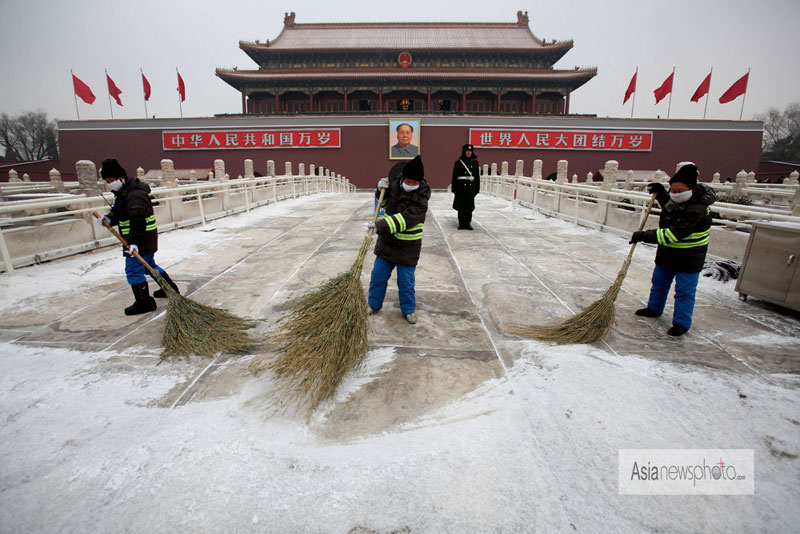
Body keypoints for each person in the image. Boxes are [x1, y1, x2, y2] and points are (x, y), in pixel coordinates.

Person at [629, 163, 716, 336]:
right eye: (672, 190)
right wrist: (661, 194)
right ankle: (654, 308)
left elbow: (673, 234)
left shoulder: (698, 209)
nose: (674, 194)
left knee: (684, 292)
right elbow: (671, 207)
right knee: (659, 283)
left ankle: (681, 323)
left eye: (678, 191)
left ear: (691, 188)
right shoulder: (680, 200)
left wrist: (643, 236)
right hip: (667, 254)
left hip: (690, 257)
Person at [95, 157, 180, 315]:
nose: (110, 183)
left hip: (140, 238)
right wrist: (108, 219)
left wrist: (134, 243)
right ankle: (170, 288)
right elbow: (118, 211)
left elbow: (137, 220)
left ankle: (144, 302)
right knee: (149, 266)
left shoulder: (134, 195)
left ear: (121, 177)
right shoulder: (123, 193)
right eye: (107, 180)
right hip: (142, 239)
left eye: (112, 179)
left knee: (133, 269)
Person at [367, 156, 430, 324]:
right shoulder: (395, 185)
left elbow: (406, 219)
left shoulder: (422, 199)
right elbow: (385, 202)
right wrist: (380, 190)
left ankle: (408, 310)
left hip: (408, 247)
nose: (410, 184)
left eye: (414, 182)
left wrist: (380, 226)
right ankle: (373, 304)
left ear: (420, 181)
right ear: (403, 178)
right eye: (408, 180)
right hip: (387, 243)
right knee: (378, 276)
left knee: (406, 282)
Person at [451, 143, 480, 230]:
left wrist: (477, 189)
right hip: (461, 188)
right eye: (467, 151)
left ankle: (468, 223)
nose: (469, 153)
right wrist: (454, 188)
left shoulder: (475, 162)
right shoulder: (458, 162)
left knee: (469, 207)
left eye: (470, 151)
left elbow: (477, 177)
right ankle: (461, 223)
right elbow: (454, 176)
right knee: (461, 207)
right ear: (464, 152)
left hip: (470, 188)